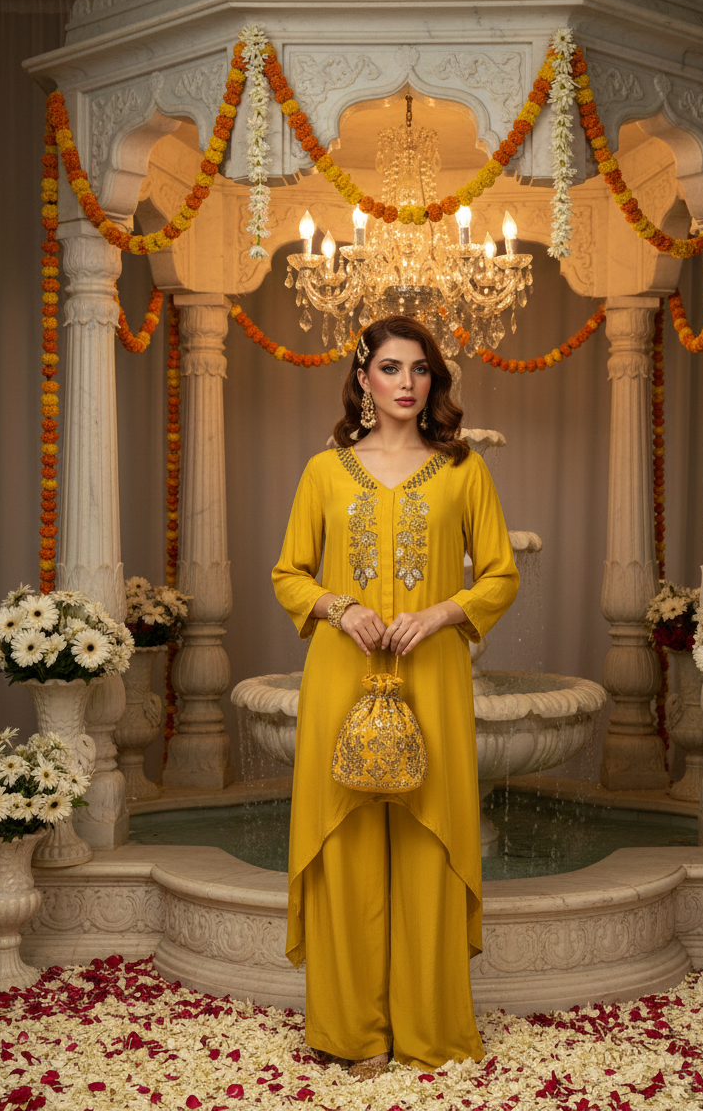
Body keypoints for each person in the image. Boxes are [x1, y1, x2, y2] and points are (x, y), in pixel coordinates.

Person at [271, 315, 519, 1078]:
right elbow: (290, 574)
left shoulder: (461, 469)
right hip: (344, 674)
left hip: (432, 672)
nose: (406, 383)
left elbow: (501, 574)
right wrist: (339, 609)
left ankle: (429, 1029)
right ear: (362, 379)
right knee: (343, 847)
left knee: (428, 847)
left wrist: (446, 612)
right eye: (390, 368)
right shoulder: (324, 471)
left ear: (433, 381)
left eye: (419, 370)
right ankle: (353, 1033)